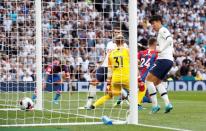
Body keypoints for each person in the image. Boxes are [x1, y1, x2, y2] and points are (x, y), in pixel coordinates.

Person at [82, 26, 128, 109]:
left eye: (118, 32)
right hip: (104, 67)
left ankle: (126, 96)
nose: (116, 33)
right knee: (94, 82)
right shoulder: (109, 43)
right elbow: (106, 56)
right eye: (115, 32)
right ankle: (88, 104)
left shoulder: (124, 45)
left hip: (115, 70)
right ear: (113, 33)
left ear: (121, 33)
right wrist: (99, 64)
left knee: (111, 91)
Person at [113, 38, 158, 109]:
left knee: (135, 89)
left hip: (138, 72)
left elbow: (135, 61)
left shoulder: (141, 53)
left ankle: (120, 99)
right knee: (142, 89)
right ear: (154, 44)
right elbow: (156, 64)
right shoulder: (155, 54)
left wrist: (139, 66)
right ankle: (137, 104)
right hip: (146, 74)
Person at [145, 15, 173, 113]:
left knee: (148, 80)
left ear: (158, 21)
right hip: (168, 61)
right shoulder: (160, 33)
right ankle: (167, 104)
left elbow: (169, 39)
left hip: (163, 60)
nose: (152, 26)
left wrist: (161, 49)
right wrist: (158, 48)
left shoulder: (162, 30)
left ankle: (155, 106)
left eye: (153, 23)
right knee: (157, 82)